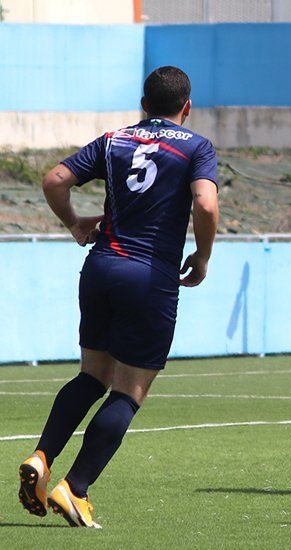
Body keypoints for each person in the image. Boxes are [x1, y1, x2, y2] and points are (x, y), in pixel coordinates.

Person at [18, 66, 219, 528]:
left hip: (101, 266)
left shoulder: (113, 140)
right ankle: (76, 488)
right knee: (129, 389)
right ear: (186, 107)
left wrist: (73, 222)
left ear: (143, 104)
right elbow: (206, 204)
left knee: (92, 375)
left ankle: (42, 457)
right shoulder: (196, 146)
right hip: (149, 276)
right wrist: (203, 257)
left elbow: (54, 180)